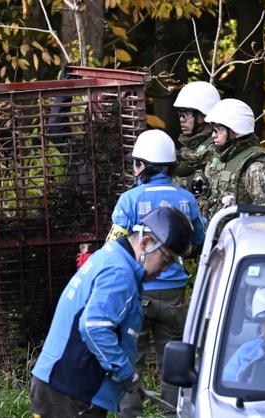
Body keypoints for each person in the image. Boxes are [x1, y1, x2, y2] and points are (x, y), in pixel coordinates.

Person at [31, 207, 194, 417]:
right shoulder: (120, 272)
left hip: (63, 385)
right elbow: (94, 328)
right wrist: (126, 374)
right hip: (69, 390)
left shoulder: (113, 257)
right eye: (166, 260)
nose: (165, 270)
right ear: (145, 243)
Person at [104, 130, 206, 417]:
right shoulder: (187, 199)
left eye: (136, 162)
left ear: (143, 165)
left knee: (130, 356)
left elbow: (114, 246)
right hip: (174, 294)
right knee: (172, 359)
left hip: (137, 291)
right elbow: (199, 239)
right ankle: (172, 413)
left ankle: (130, 413)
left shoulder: (129, 199)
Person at [203, 98, 265, 217]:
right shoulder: (220, 158)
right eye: (213, 130)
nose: (213, 135)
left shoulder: (256, 168)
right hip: (217, 233)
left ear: (235, 131)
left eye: (218, 130)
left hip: (241, 234)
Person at [171, 81, 220, 202]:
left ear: (203, 116)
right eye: (180, 114)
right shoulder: (193, 144)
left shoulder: (214, 146)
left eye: (187, 113)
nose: (182, 119)